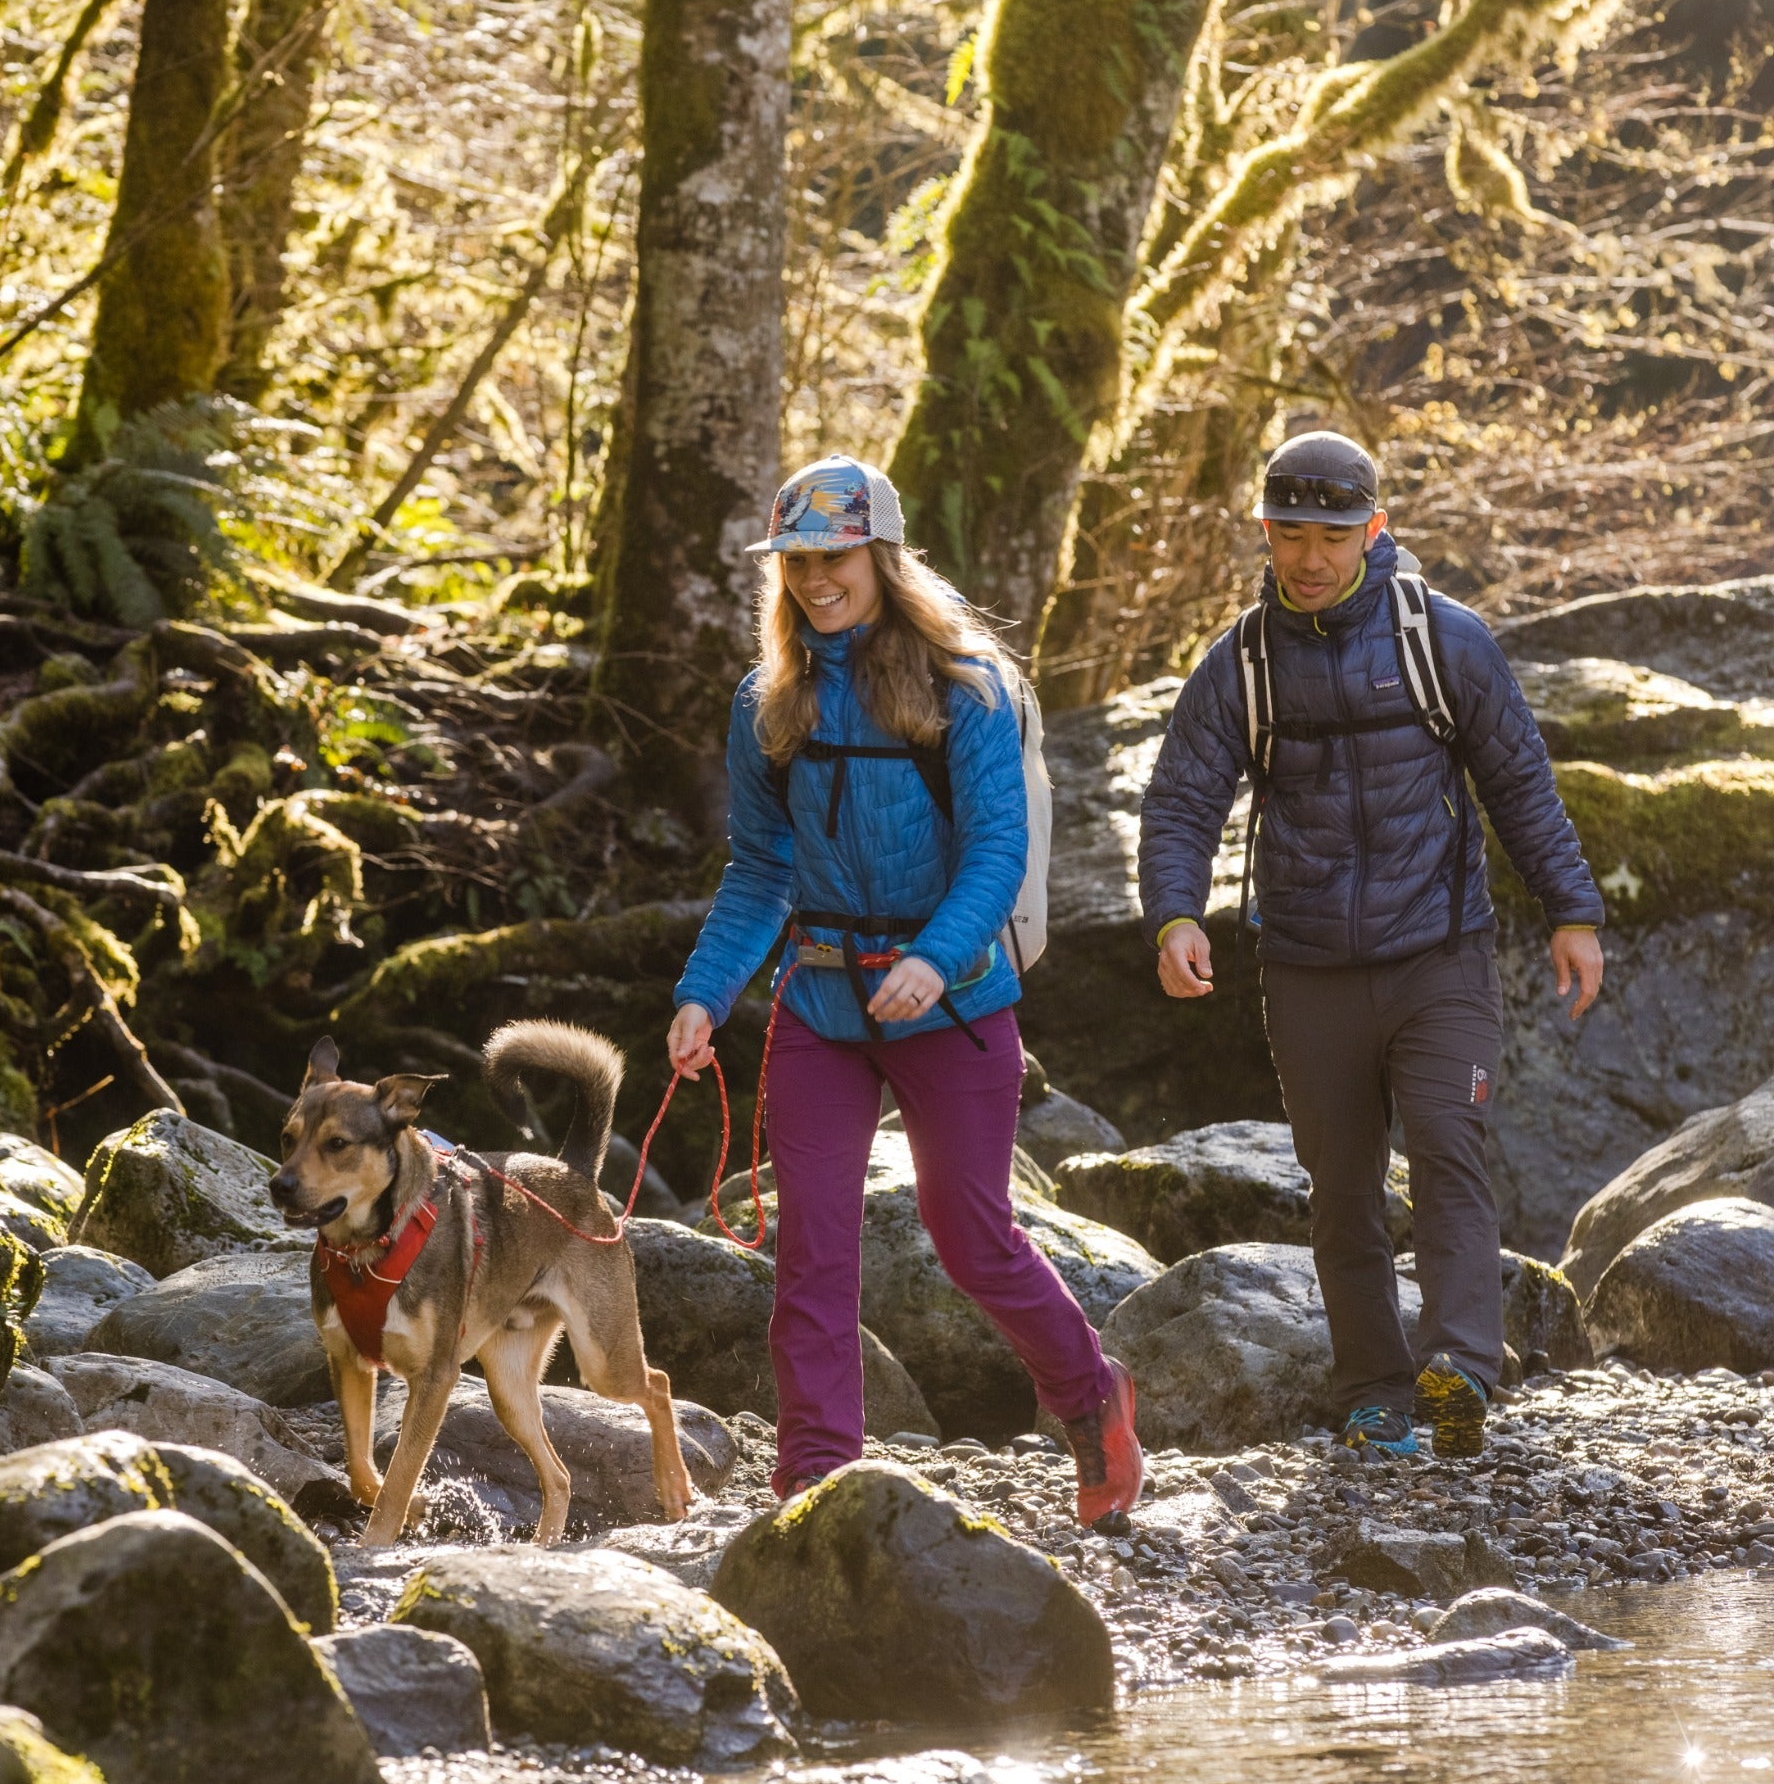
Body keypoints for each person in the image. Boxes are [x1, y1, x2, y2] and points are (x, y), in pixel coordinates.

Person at [665, 452, 1142, 1524]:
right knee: (812, 1246)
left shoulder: (961, 688)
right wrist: (703, 992)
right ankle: (816, 1481)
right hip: (821, 1006)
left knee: (970, 1233)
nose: (813, 577)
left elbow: (995, 852)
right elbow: (758, 867)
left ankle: (1086, 1393)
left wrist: (931, 957)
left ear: (879, 554)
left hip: (955, 1004)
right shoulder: (765, 701)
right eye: (794, 559)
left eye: (833, 555)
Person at [1138, 430, 1606, 1460]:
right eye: (1290, 533)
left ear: (1373, 530)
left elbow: (1518, 783)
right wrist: (1174, 913)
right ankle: (1371, 1389)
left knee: (1446, 1142)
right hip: (1304, 966)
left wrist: (1572, 912)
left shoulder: (1444, 641)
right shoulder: (1240, 665)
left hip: (1439, 954)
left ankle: (1459, 1372)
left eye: (1333, 534)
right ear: (1263, 531)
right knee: (1340, 1182)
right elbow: (1180, 798)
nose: (1309, 556)